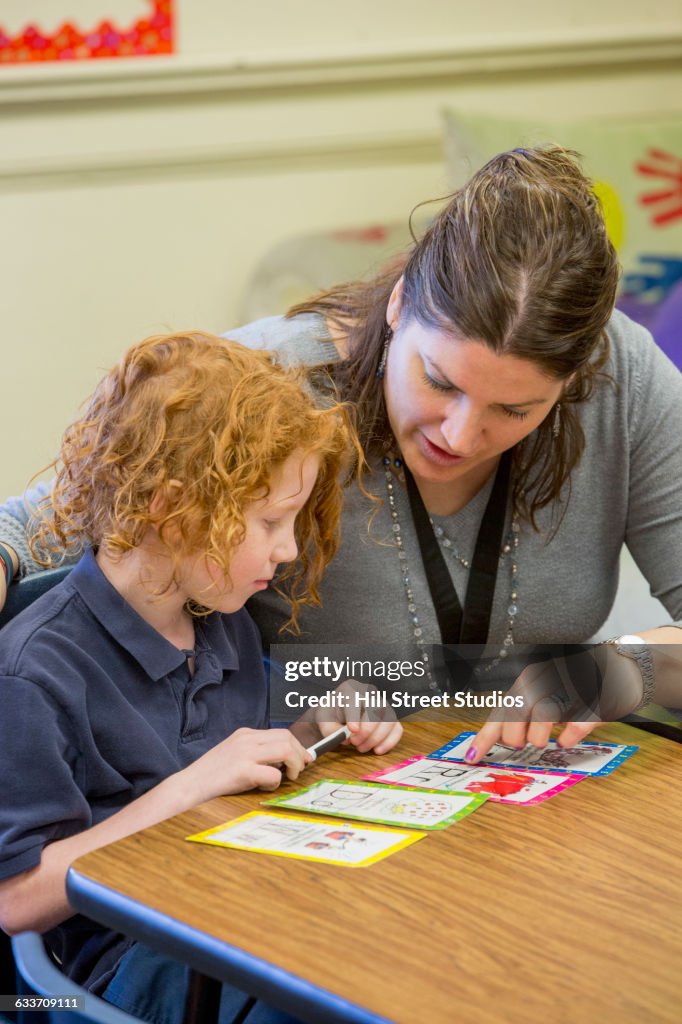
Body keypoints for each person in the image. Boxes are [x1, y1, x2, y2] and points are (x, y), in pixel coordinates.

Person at [2, 146, 682, 758]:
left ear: (575, 378)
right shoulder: (274, 383)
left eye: (516, 410)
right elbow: (35, 531)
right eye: (438, 382)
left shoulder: (625, 381)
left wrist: (622, 670)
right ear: (397, 306)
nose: (459, 436)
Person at [0, 331, 402, 1024]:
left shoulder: (223, 619)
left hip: (236, 906)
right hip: (119, 972)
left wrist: (328, 720)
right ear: (172, 509)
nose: (288, 549)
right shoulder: (36, 670)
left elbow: (255, 757)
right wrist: (190, 789)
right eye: (271, 520)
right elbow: (15, 901)